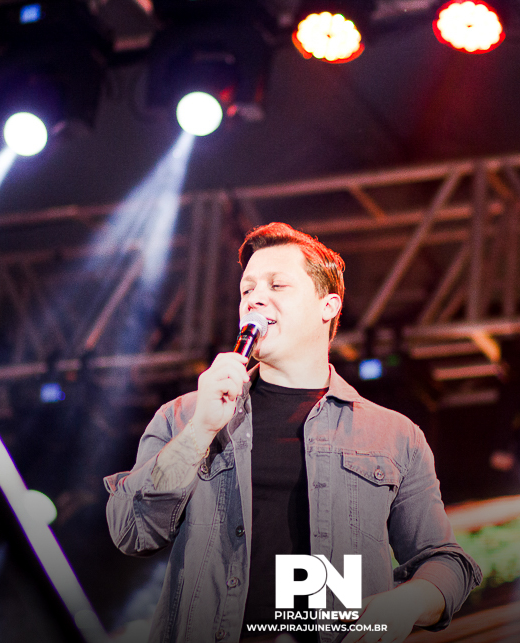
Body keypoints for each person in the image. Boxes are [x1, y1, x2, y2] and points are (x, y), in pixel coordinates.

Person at [105, 222, 481, 643]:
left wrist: (406, 603)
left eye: (277, 285)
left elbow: (446, 562)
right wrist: (200, 430)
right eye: (247, 289)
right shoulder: (183, 417)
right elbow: (132, 531)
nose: (254, 299)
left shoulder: (393, 435)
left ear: (328, 305)